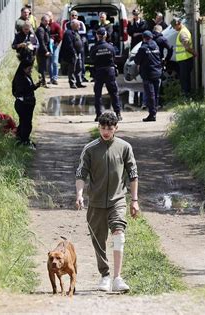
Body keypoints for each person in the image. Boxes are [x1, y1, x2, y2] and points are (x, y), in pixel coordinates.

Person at [75, 111, 139, 293]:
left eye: (109, 129)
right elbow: (81, 174)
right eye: (103, 128)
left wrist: (134, 200)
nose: (106, 132)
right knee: (99, 240)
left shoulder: (125, 147)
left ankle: (118, 278)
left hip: (117, 199)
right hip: (95, 202)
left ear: (116, 128)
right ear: (98, 127)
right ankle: (105, 276)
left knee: (118, 232)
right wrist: (79, 194)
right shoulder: (90, 149)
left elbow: (133, 174)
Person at [90, 27, 122, 122]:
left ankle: (98, 114)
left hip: (99, 71)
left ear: (97, 36)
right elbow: (114, 56)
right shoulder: (110, 47)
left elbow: (92, 59)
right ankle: (118, 114)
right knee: (114, 93)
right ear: (105, 35)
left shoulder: (94, 48)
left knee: (98, 94)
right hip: (110, 71)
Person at [12, 59, 41, 149]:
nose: (30, 70)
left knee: (25, 123)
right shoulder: (20, 78)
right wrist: (33, 87)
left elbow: (29, 88)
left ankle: (22, 139)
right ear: (23, 68)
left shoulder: (26, 76)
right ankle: (24, 141)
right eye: (29, 69)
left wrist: (36, 86)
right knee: (26, 123)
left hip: (28, 104)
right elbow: (22, 91)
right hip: (23, 104)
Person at [134, 30, 162, 122]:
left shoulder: (143, 48)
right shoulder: (156, 45)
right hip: (157, 72)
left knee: (150, 94)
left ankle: (152, 114)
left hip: (148, 73)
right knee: (156, 94)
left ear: (143, 38)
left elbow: (137, 60)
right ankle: (154, 112)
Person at [171, 17, 197, 96]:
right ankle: (186, 95)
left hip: (185, 60)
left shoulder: (183, 33)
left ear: (178, 24)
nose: (174, 28)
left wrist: (194, 53)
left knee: (185, 79)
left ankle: (186, 95)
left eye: (174, 27)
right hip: (184, 59)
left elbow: (187, 47)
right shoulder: (182, 31)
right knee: (185, 78)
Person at [60, 19, 86, 89]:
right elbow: (69, 44)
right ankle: (72, 83)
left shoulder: (76, 32)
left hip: (78, 53)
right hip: (72, 54)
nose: (80, 26)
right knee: (72, 69)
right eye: (78, 25)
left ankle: (79, 82)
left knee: (79, 68)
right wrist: (74, 53)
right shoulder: (68, 33)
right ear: (73, 25)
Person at [65, 10, 88, 82]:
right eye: (72, 15)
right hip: (71, 45)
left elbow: (83, 33)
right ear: (70, 16)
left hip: (79, 44)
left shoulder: (81, 23)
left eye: (75, 15)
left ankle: (82, 77)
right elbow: (66, 33)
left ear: (78, 17)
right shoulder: (67, 24)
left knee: (81, 62)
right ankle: (73, 79)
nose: (74, 17)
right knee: (72, 63)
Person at [35, 14, 51, 87]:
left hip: (45, 49)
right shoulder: (40, 29)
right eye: (45, 21)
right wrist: (46, 51)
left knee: (44, 67)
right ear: (42, 21)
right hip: (42, 51)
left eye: (48, 21)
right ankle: (43, 82)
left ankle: (42, 81)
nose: (47, 22)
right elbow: (41, 41)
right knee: (42, 67)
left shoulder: (46, 28)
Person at [47, 11, 63, 85]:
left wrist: (57, 43)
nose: (48, 17)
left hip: (55, 46)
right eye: (46, 16)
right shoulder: (46, 26)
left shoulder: (56, 25)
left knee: (55, 62)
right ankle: (51, 78)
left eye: (49, 16)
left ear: (52, 17)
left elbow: (60, 35)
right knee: (49, 63)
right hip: (48, 47)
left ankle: (55, 78)